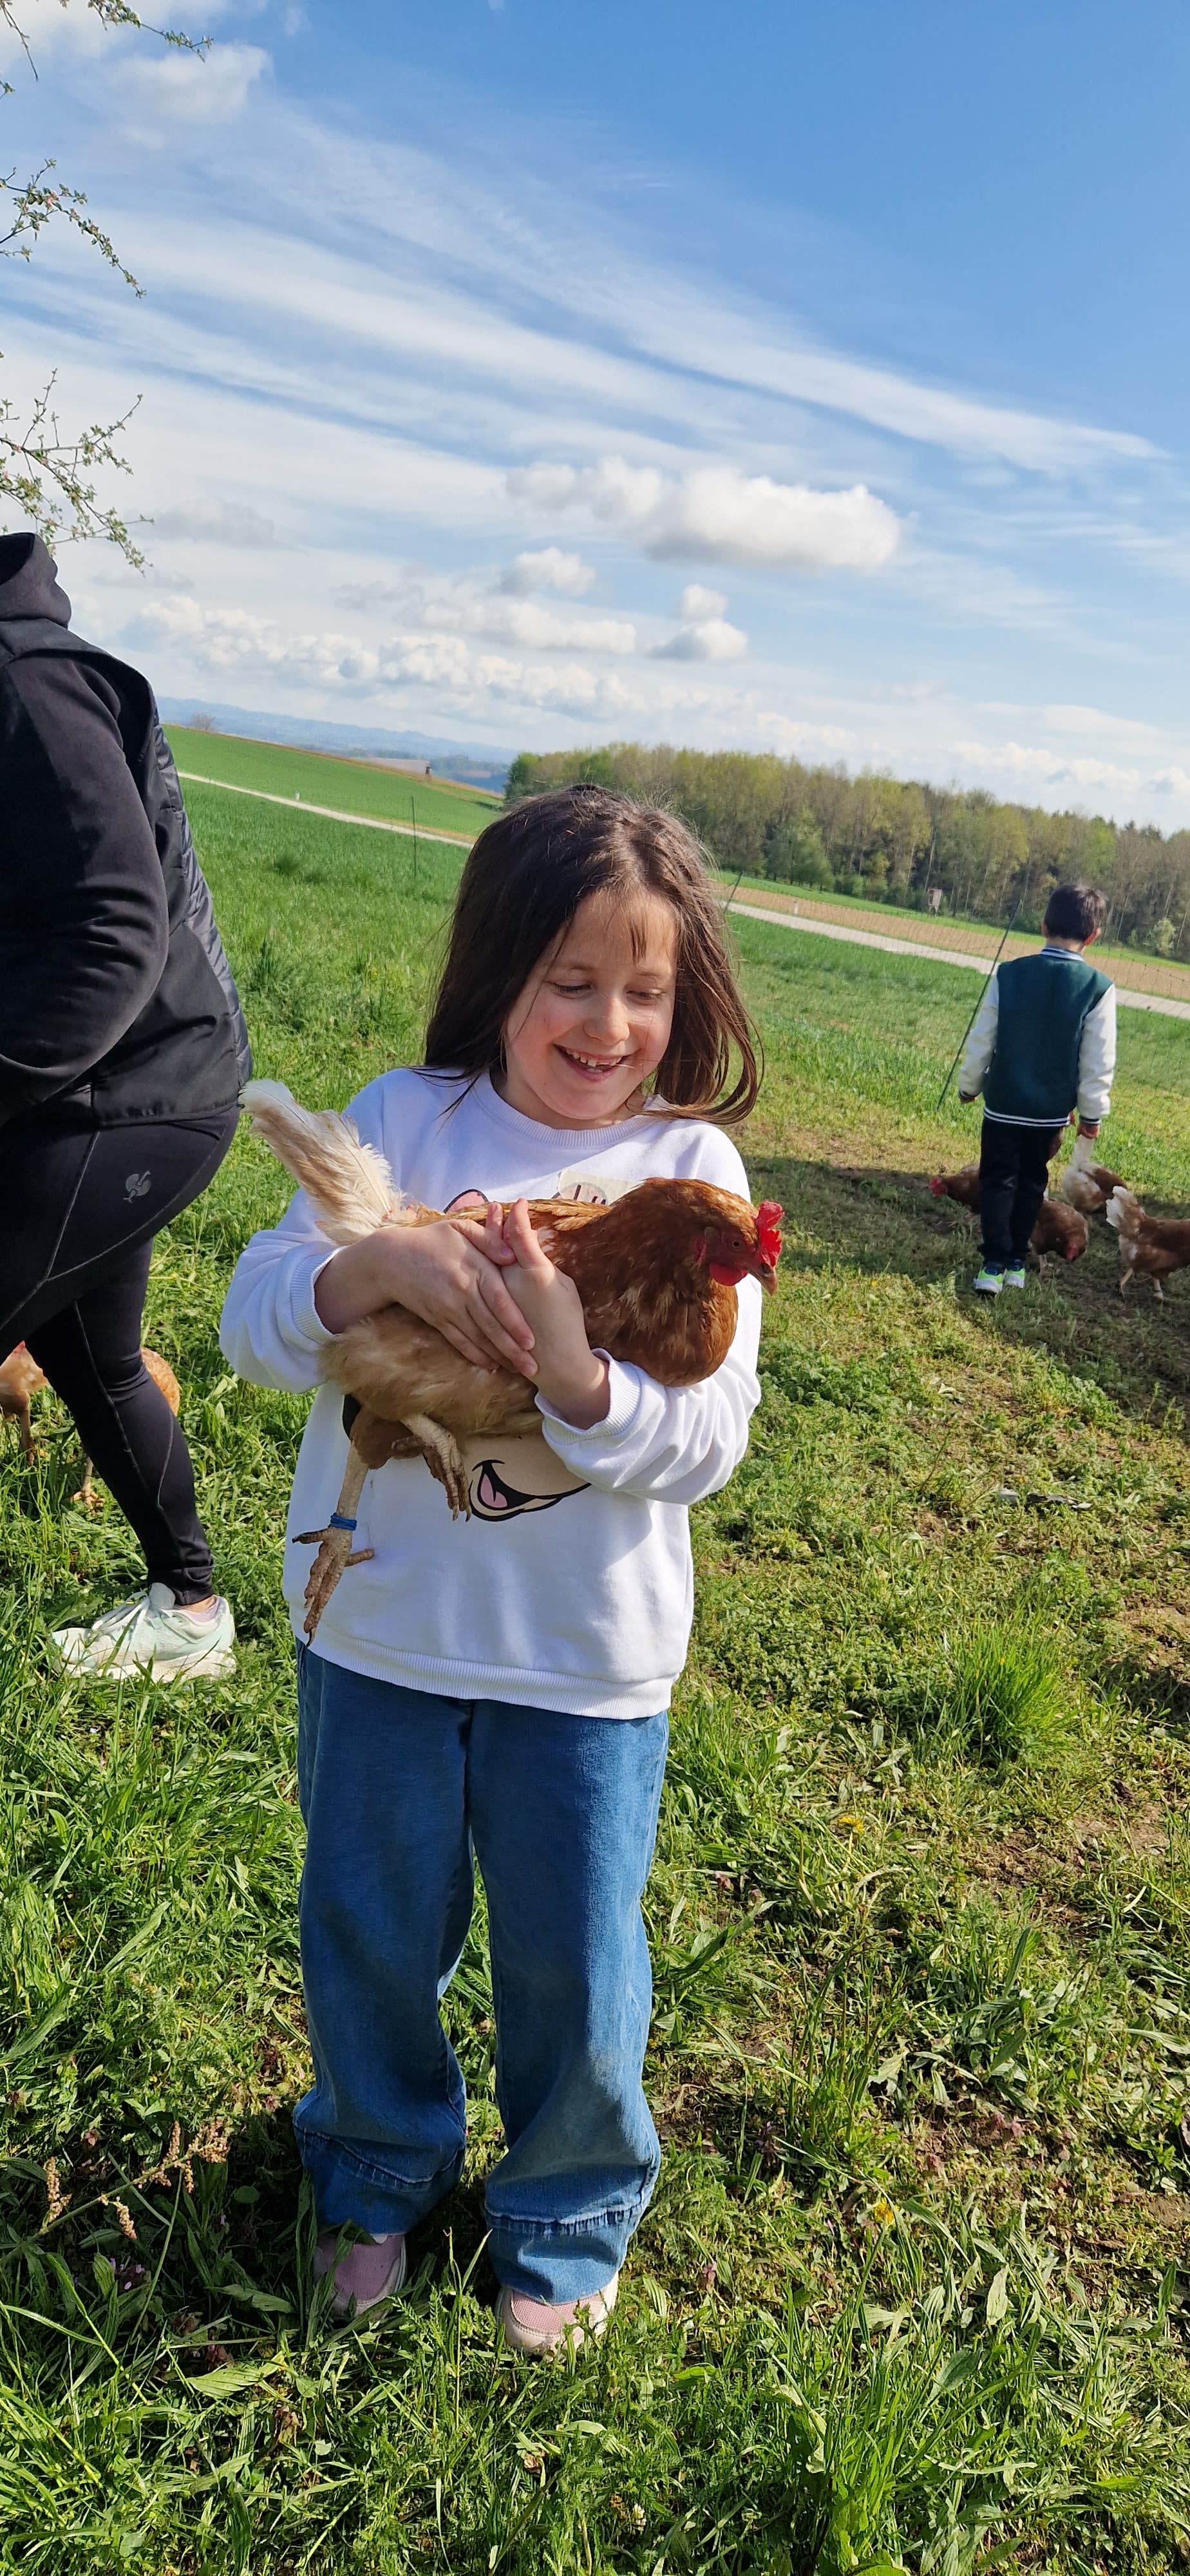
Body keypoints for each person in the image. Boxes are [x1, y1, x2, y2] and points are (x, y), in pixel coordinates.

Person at [219, 786, 764, 2353]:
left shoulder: (693, 1161)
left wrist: (581, 1381)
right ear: (501, 973)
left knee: (576, 1959)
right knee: (371, 1924)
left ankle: (566, 2208)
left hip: (584, 1665)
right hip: (382, 1629)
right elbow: (255, 1329)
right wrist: (367, 1264)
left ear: (686, 998)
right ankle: (377, 2161)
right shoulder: (408, 1115)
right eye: (570, 981)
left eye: (645, 989)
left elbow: (706, 1438)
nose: (607, 1023)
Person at [0, 531, 250, 1679]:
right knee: (96, 1363)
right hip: (117, 1093)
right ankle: (188, 1612)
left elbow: (113, 932)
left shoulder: (27, 682)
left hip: (131, 1099)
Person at [958, 882, 1115, 1296]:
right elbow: (1097, 1061)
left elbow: (982, 1038)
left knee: (997, 1182)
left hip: (1004, 1106)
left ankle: (991, 1265)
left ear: (1043, 925)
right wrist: (1092, 1114)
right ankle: (1015, 1264)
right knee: (1032, 1183)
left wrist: (969, 1085)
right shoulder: (1098, 989)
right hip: (1049, 1114)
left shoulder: (1009, 974)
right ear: (1093, 936)